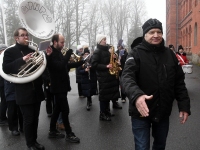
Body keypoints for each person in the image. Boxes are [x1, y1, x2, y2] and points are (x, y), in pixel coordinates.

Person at [121, 18, 191, 150]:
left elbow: (179, 83)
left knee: (160, 145)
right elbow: (126, 77)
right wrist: (137, 96)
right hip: (141, 111)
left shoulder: (170, 55)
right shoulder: (135, 53)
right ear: (145, 34)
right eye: (151, 32)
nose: (156, 35)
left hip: (163, 110)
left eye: (159, 32)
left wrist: (184, 106)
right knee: (142, 147)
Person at [2, 27, 48, 150]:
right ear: (16, 38)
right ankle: (30, 144)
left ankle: (35, 141)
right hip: (23, 91)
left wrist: (45, 56)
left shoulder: (33, 50)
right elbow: (6, 68)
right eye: (23, 35)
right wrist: (22, 60)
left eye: (27, 35)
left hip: (36, 90)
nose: (26, 37)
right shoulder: (10, 52)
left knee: (35, 118)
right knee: (28, 119)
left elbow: (41, 66)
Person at [46, 33, 83, 143]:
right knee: (65, 110)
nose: (63, 44)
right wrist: (67, 55)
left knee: (57, 109)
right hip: (58, 87)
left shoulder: (58, 52)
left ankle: (52, 130)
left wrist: (81, 62)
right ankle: (69, 133)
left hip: (62, 86)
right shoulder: (51, 53)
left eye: (64, 42)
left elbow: (66, 66)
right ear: (55, 42)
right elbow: (59, 66)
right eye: (61, 42)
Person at [91, 34, 121, 121]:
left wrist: (114, 58)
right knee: (104, 96)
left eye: (105, 39)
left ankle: (107, 111)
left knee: (108, 96)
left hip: (109, 76)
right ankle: (102, 113)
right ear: (99, 41)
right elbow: (94, 64)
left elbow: (110, 61)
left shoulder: (107, 50)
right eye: (103, 39)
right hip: (103, 77)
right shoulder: (97, 51)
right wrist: (106, 66)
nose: (105, 41)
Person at [0, 44, 8, 126]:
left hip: (3, 83)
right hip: (2, 83)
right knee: (4, 101)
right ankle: (2, 118)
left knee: (4, 100)